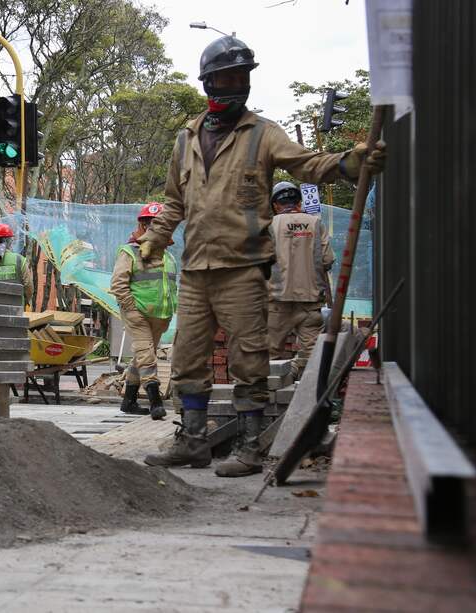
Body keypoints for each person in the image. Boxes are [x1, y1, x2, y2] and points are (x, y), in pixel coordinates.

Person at [141, 36, 386, 477]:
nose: (236, 84)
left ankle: (252, 447)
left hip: (242, 269)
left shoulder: (263, 134)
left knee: (249, 358)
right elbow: (174, 201)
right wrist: (156, 239)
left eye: (242, 76)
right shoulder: (186, 138)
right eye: (228, 76)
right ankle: (193, 441)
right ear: (209, 83)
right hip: (196, 269)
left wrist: (351, 162)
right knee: (187, 358)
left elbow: (308, 165)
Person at [110, 203, 177, 420]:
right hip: (137, 314)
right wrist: (130, 307)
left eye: (159, 224)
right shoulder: (129, 251)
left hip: (160, 316)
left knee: (141, 357)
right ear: (142, 224)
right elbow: (118, 283)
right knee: (147, 356)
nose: (154, 228)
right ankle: (155, 401)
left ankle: (128, 401)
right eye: (150, 223)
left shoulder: (169, 258)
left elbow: (170, 288)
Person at [267, 182, 335, 380]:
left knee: (271, 358)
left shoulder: (270, 226)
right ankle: (308, 399)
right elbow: (328, 259)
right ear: (298, 202)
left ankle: (274, 403)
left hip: (277, 303)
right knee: (311, 357)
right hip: (310, 303)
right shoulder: (315, 223)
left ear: (275, 205)